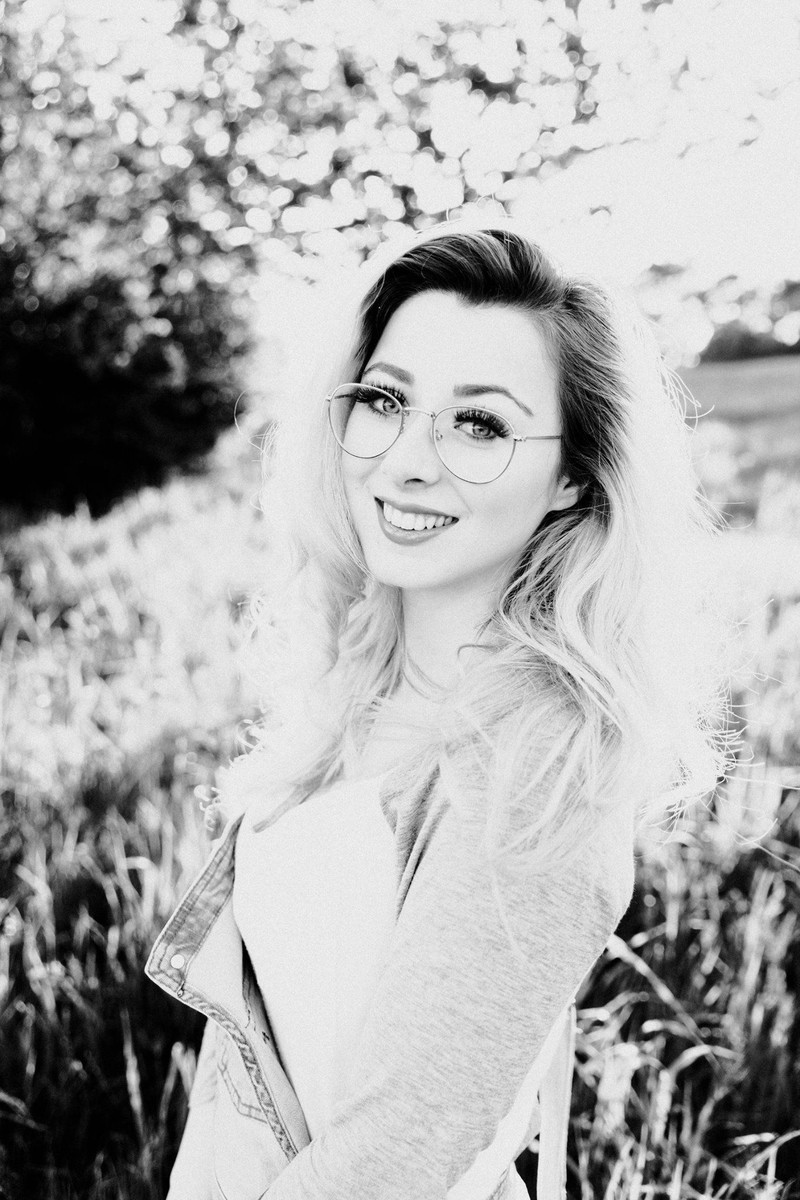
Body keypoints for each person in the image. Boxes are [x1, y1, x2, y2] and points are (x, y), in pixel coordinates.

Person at [146, 218, 728, 1200]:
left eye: (479, 425)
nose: (406, 460)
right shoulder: (357, 688)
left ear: (572, 477)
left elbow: (388, 1162)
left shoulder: (537, 767)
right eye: (384, 400)